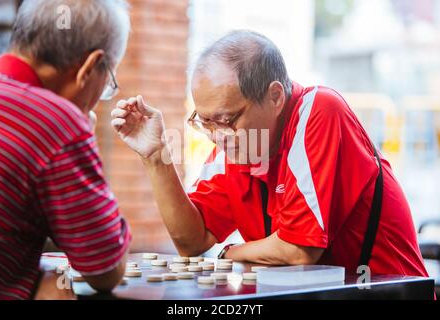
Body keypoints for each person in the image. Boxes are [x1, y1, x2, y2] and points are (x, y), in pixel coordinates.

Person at [111, 30, 429, 278]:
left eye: (226, 120)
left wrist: (229, 252)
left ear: (275, 96)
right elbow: (193, 242)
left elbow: (299, 250)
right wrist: (155, 157)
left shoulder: (319, 111)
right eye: (204, 121)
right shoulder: (235, 144)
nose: (216, 136)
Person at [0, 0, 131, 299]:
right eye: (109, 81)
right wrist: (79, 139)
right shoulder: (57, 123)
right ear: (90, 66)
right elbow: (106, 268)